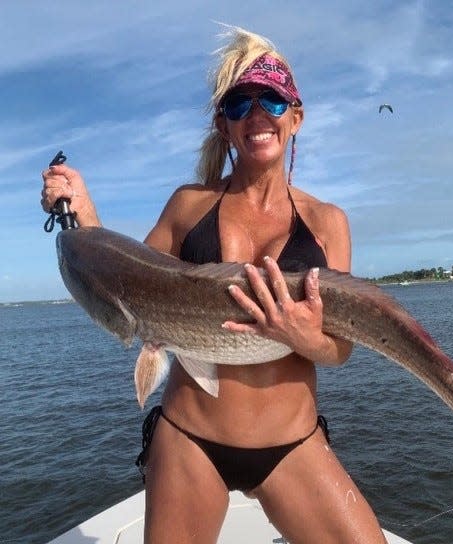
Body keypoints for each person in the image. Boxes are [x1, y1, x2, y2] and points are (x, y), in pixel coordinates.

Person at [41, 26, 387, 544]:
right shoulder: (188, 205)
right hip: (190, 439)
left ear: (296, 116)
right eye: (238, 104)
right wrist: (81, 212)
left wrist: (301, 336)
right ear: (224, 125)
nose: (256, 114)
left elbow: (338, 350)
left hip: (292, 443)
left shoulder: (328, 222)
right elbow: (133, 280)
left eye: (272, 98)